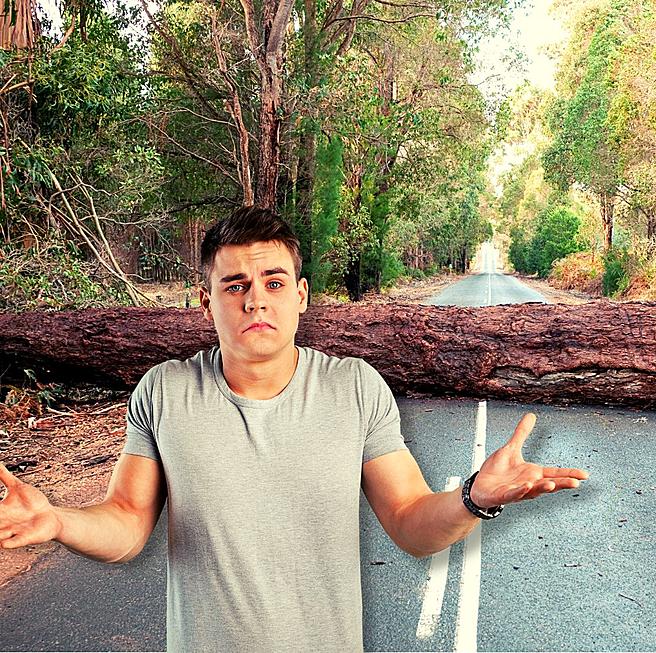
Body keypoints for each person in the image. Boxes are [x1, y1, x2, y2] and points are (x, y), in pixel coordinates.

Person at [0, 207, 589, 652]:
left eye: (274, 283)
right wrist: (58, 521)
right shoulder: (165, 391)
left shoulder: (354, 388)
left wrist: (474, 499)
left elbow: (410, 522)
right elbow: (127, 524)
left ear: (301, 296)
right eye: (236, 286)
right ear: (207, 303)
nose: (256, 301)